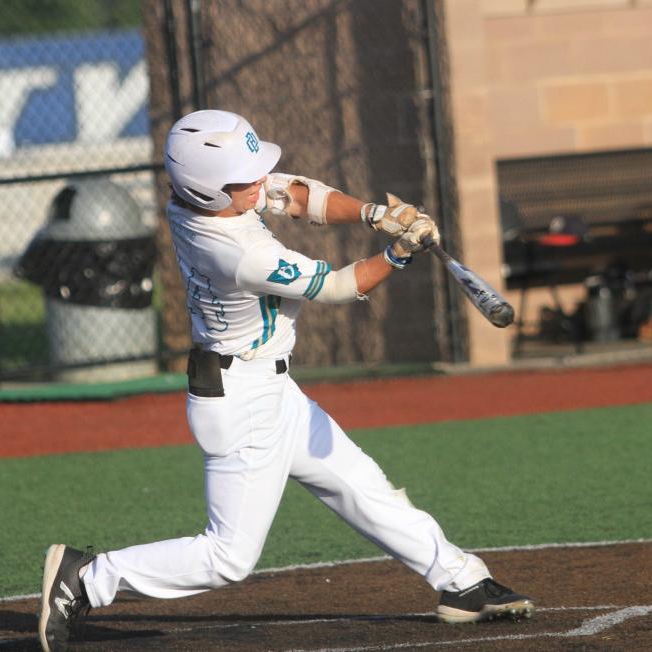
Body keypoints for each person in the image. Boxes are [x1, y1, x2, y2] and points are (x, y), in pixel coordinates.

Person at [37, 110, 534, 651]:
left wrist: (374, 214)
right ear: (207, 190)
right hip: (242, 400)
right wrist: (399, 250)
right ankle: (86, 578)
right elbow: (339, 286)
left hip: (270, 389)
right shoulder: (237, 250)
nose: (259, 184)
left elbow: (299, 196)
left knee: (361, 484)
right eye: (244, 180)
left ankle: (460, 581)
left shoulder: (214, 194)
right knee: (228, 558)